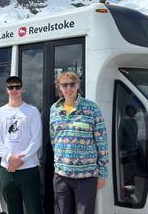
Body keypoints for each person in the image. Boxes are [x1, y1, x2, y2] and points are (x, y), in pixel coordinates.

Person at [49, 71, 108, 214]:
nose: (68, 88)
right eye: (64, 85)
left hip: (86, 177)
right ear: (59, 87)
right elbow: (54, 140)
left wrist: (103, 174)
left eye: (72, 84)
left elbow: (102, 142)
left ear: (78, 85)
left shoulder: (92, 108)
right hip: (61, 176)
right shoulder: (54, 109)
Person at [0, 76, 42, 214]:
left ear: (22, 89)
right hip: (7, 170)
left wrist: (20, 160)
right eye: (11, 87)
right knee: (13, 210)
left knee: (34, 209)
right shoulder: (0, 113)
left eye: (17, 87)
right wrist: (9, 158)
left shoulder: (32, 111)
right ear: (6, 90)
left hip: (29, 169)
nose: (14, 90)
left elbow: (36, 140)